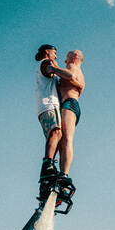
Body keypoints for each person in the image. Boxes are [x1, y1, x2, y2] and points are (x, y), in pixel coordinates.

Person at [47, 50, 85, 187]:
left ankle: (64, 174)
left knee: (67, 139)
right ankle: (61, 172)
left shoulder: (73, 68)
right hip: (72, 106)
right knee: (63, 140)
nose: (65, 61)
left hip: (69, 104)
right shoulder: (80, 75)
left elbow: (69, 75)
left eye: (67, 58)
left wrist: (53, 69)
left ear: (74, 57)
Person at [35, 44, 63, 182]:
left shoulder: (40, 65)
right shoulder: (46, 62)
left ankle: (47, 171)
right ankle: (48, 165)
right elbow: (52, 70)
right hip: (50, 104)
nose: (56, 56)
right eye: (54, 53)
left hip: (42, 108)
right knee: (56, 132)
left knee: (56, 137)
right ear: (47, 52)